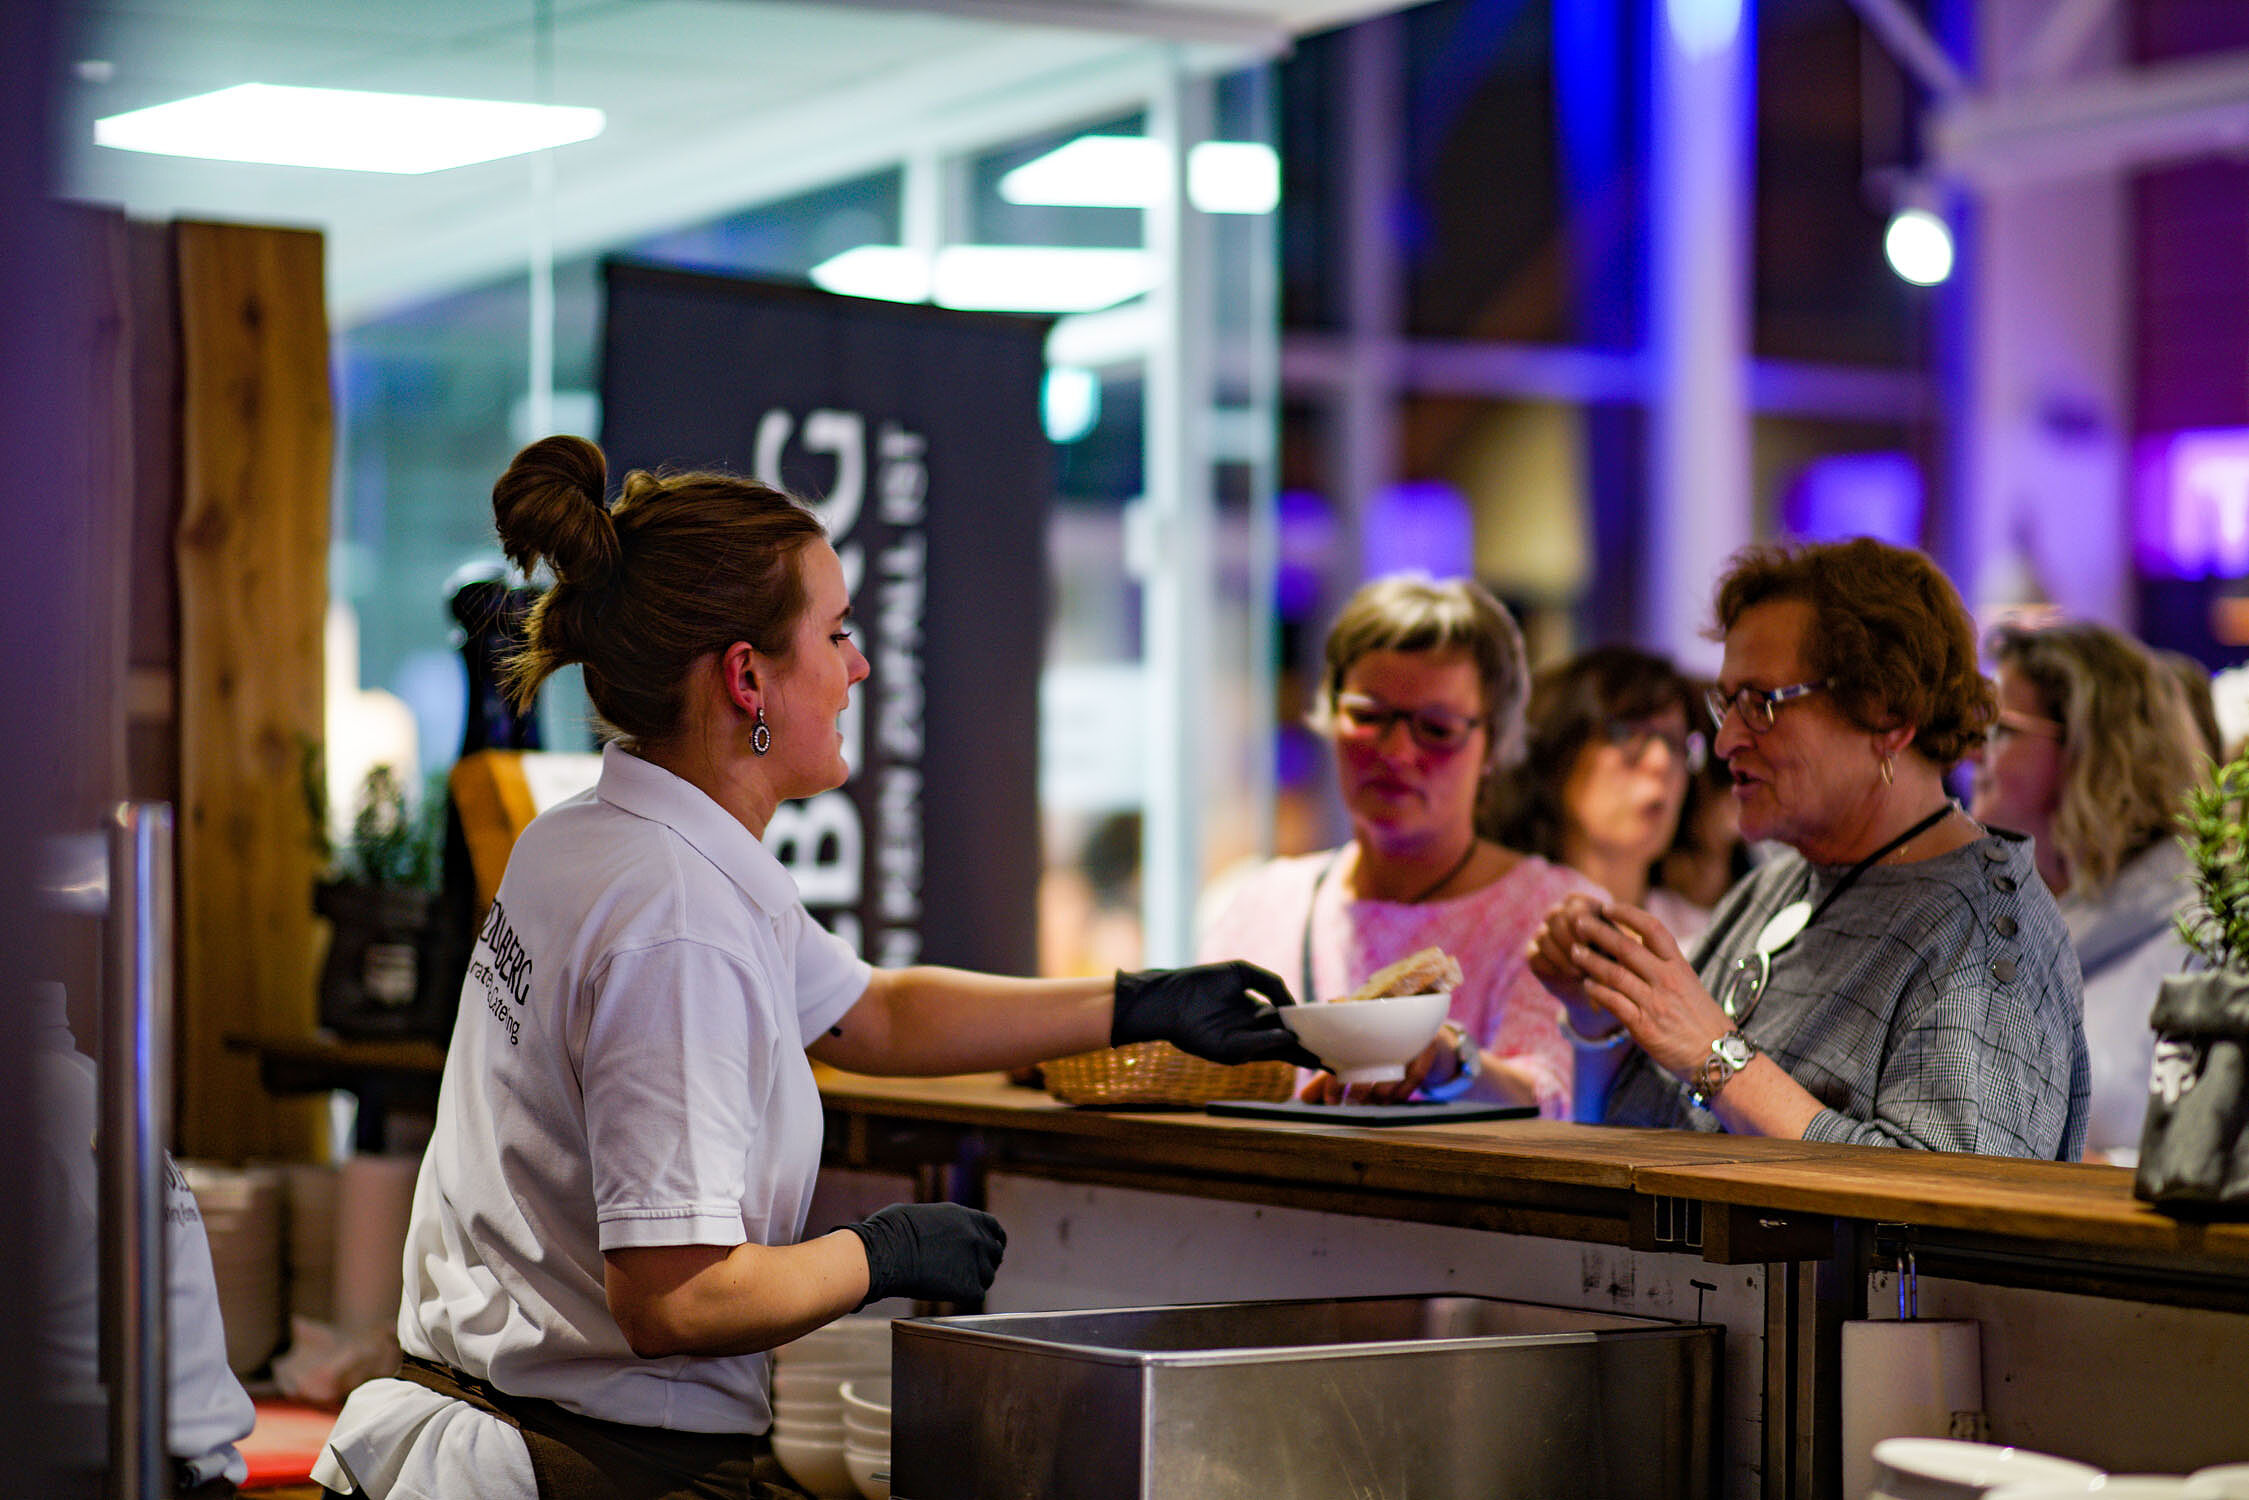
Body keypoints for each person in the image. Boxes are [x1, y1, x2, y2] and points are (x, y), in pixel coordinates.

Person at [314, 437, 1314, 1500]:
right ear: (747, 676)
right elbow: (673, 1299)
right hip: (589, 1466)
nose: (859, 667)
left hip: (505, 1419)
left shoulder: (594, 836)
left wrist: (1134, 1005)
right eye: (835, 633)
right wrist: (877, 1255)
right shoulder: (676, 917)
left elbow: (869, 1015)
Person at [1531, 538, 2091, 1157]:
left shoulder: (1987, 935)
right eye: (1726, 705)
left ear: (1886, 715)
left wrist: (1717, 1057)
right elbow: (1632, 1137)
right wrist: (1600, 1015)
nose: (1724, 743)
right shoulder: (1776, 886)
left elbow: (1953, 1195)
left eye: (1760, 705)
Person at [1199, 574, 1597, 1116]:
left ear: (1493, 744)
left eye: (1436, 728)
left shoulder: (1548, 915)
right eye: (1368, 716)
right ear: (1330, 714)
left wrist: (1446, 1061)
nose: (1396, 752)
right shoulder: (1264, 903)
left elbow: (1554, 1100)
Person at [1973, 620, 2205, 1162]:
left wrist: (2080, 1171)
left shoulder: (2198, 939)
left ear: (2087, 749)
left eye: (2001, 730)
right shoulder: (1995, 918)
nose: (1972, 752)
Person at [1483, 647, 1713, 950]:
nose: (1661, 761)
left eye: (1675, 742)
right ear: (1560, 752)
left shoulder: (1707, 939)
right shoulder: (1497, 927)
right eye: (1627, 734)